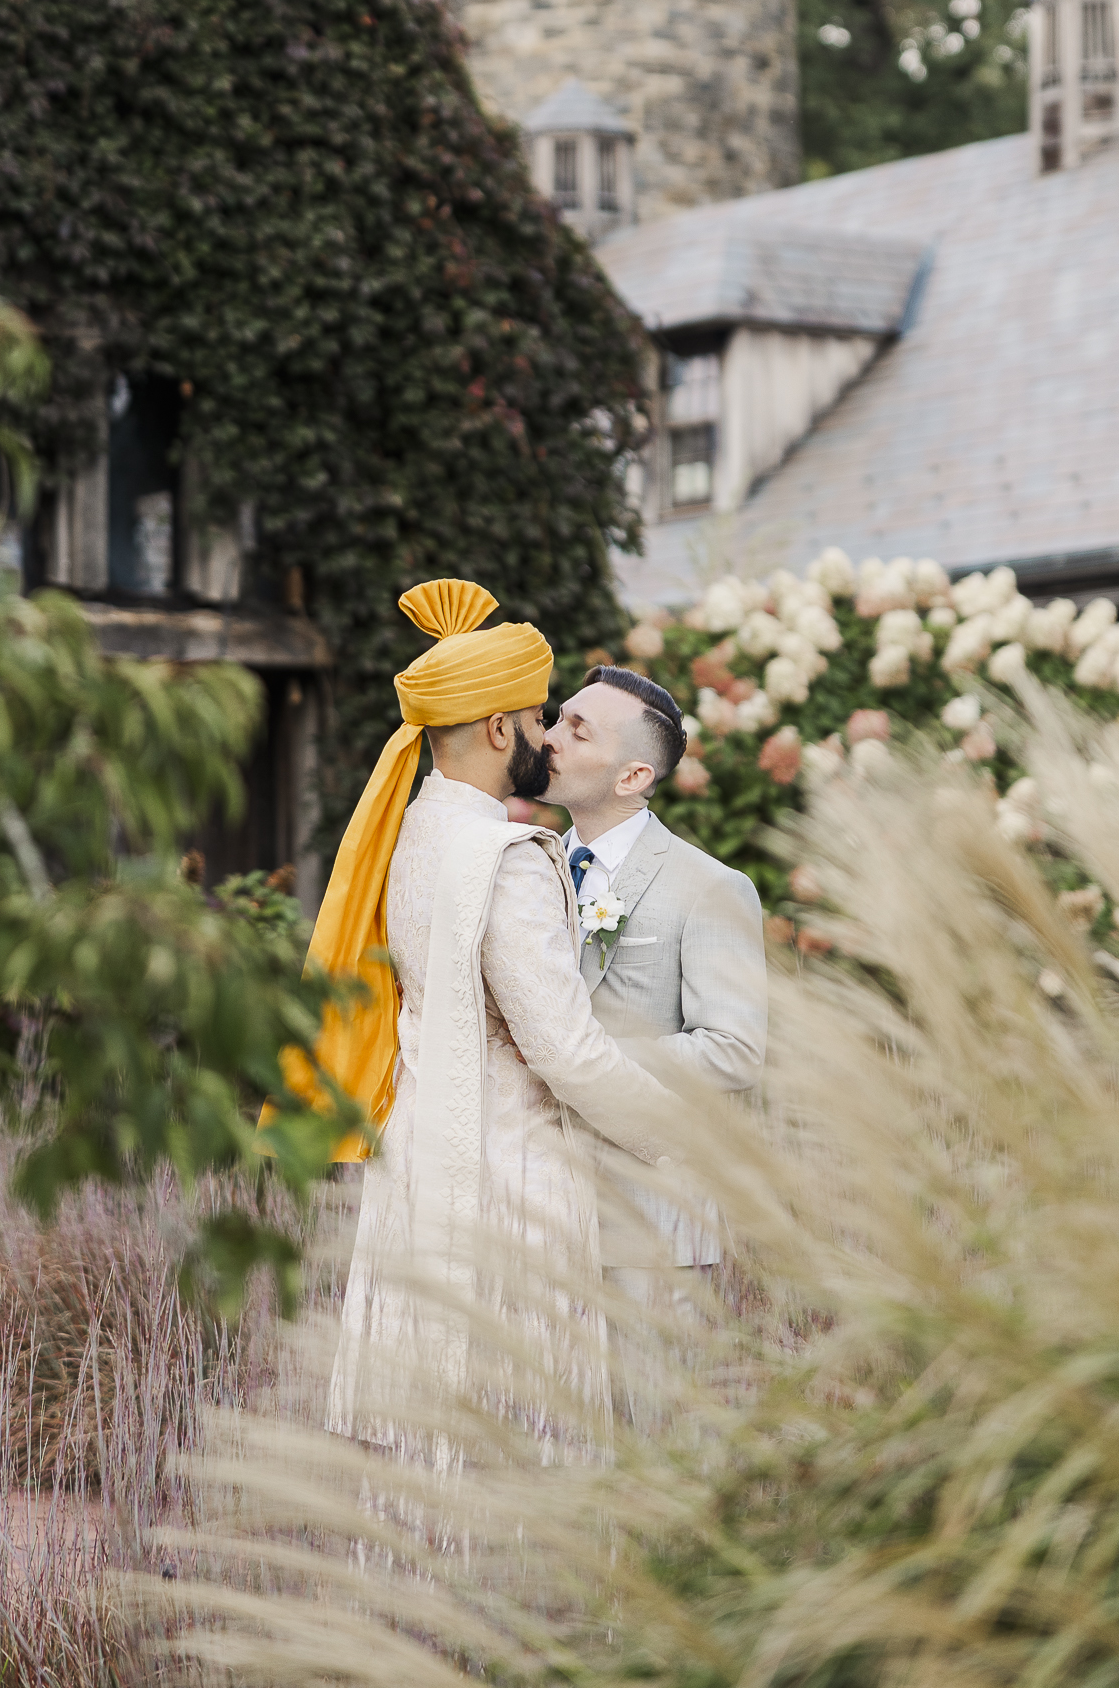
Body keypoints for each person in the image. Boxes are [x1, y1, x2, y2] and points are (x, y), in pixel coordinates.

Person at [294, 580, 676, 1452]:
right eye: (541, 719)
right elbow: (566, 1052)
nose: (548, 738)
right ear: (501, 728)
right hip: (507, 1184)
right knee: (519, 1442)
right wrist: (674, 1135)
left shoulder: (411, 837)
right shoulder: (503, 857)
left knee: (424, 1450)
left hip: (422, 1161)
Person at [545, 667, 766, 1288]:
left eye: (578, 732)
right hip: (541, 1214)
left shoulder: (711, 887)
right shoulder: (535, 869)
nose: (551, 738)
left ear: (634, 776)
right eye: (558, 719)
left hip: (650, 1221)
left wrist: (585, 1061)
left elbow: (735, 1051)